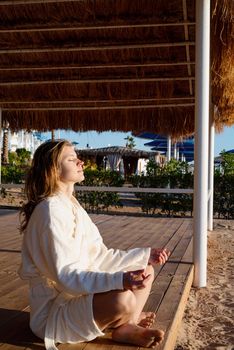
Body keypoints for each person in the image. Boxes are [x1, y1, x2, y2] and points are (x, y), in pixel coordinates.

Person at [18, 140, 170, 350]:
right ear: (53, 169)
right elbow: (66, 277)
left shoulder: (71, 205)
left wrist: (143, 255)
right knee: (123, 300)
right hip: (54, 314)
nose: (80, 162)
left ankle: (128, 324)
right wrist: (120, 280)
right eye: (72, 159)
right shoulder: (50, 211)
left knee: (146, 269)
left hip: (78, 295)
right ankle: (126, 318)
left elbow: (100, 256)